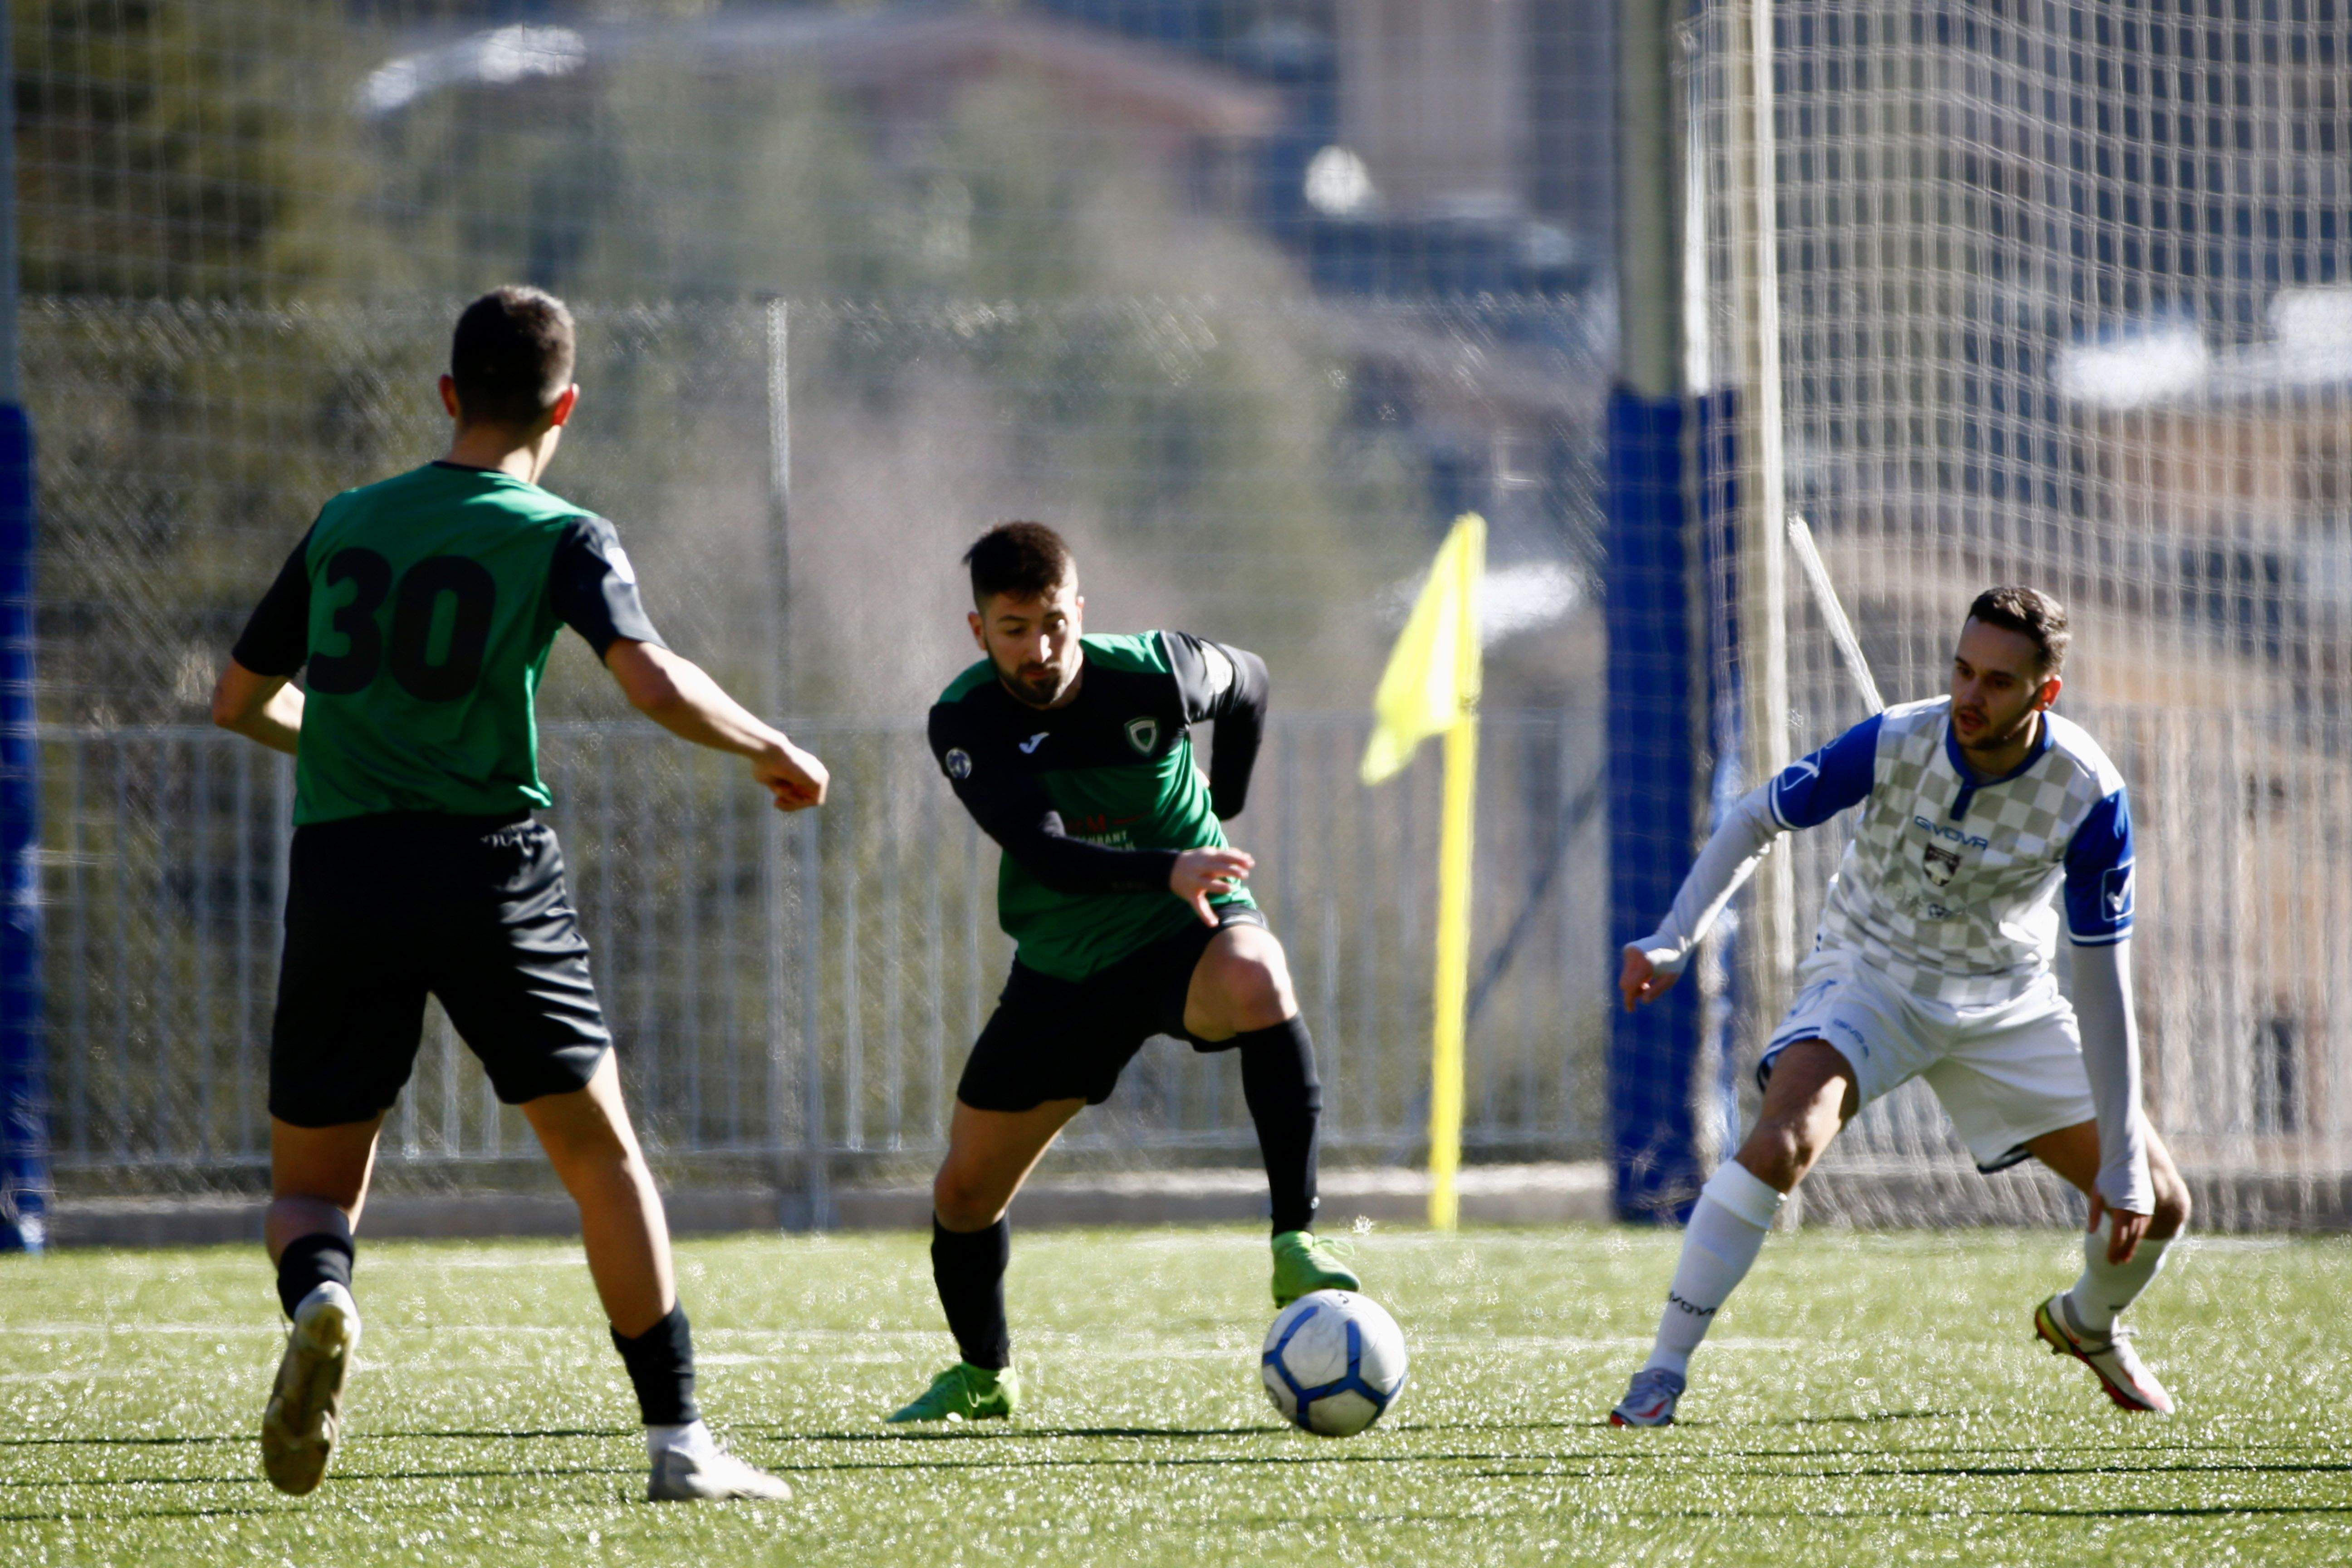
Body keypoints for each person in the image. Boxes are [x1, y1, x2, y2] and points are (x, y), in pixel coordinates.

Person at [211, 286, 827, 1500]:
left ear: (448, 395)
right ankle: (679, 1444)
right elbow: (650, 684)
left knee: (309, 1192)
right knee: (604, 1164)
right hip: (494, 869)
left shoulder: (345, 522)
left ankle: (325, 1296)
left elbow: (236, 701)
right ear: (566, 406)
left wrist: (348, 748)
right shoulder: (560, 532)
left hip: (346, 869)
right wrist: (767, 745)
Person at [1607, 587, 2191, 1427]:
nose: (1968, 695)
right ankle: (1661, 1372)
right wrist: (1674, 936)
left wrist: (2127, 1159)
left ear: (2045, 693)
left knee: (2159, 1202)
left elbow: (2102, 978)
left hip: (2004, 1001)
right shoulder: (1894, 739)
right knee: (1780, 1144)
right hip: (1871, 978)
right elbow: (1756, 817)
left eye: (1996, 681)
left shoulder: (2089, 793)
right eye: (1961, 670)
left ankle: (2087, 1322)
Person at [885, 522, 1358, 1423]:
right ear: (978, 630)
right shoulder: (967, 719)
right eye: (1015, 628)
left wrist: (1224, 802)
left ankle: (1295, 1236)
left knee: (1257, 976)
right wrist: (1166, 864)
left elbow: (1249, 681)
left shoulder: (1158, 671)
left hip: (1189, 932)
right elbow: (1045, 852)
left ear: (1081, 612)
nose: (1042, 649)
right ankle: (987, 1375)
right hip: (1065, 964)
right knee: (963, 1192)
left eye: (1056, 623)